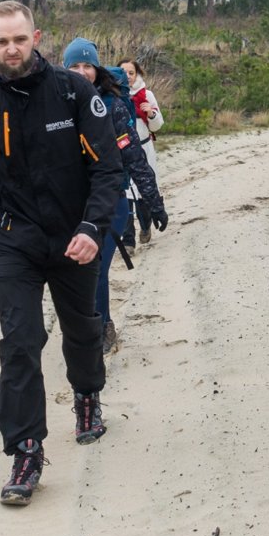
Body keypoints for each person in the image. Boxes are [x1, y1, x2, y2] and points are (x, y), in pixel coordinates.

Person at [0, 2, 124, 507]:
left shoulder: (74, 93)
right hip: (15, 242)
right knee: (20, 342)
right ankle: (26, 451)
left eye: (20, 39)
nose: (12, 49)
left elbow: (108, 169)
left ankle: (87, 395)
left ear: (36, 37)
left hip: (74, 238)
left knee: (82, 327)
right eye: (2, 41)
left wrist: (92, 228)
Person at [63, 40, 167, 357]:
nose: (81, 72)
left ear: (96, 69)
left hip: (111, 201)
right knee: (73, 272)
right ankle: (84, 326)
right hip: (70, 204)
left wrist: (154, 201)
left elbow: (134, 156)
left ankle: (103, 327)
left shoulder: (113, 105)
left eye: (87, 66)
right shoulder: (55, 102)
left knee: (94, 267)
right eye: (74, 66)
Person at [120, 58, 164, 243]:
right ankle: (128, 239)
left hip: (144, 149)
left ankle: (146, 226)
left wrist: (151, 114)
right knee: (125, 195)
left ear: (137, 74)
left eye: (131, 73)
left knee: (143, 192)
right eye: (123, 72)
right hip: (121, 151)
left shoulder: (147, 95)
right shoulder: (113, 95)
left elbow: (157, 126)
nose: (128, 76)